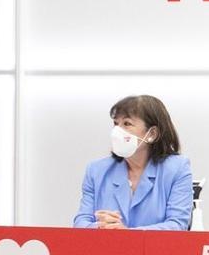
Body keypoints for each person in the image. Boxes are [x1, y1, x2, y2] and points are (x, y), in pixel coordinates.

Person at [73, 95, 193, 230]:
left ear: (152, 134)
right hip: (105, 250)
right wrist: (100, 226)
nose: (116, 131)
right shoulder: (96, 170)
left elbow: (177, 225)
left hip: (155, 251)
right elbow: (80, 222)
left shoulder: (177, 168)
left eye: (127, 124)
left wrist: (127, 234)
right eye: (116, 124)